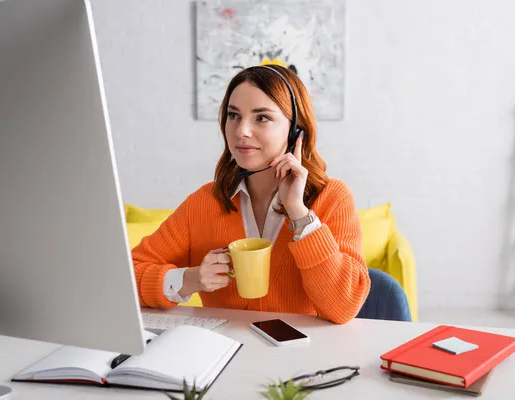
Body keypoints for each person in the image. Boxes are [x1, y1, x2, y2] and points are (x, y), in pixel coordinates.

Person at [132, 65, 370, 324]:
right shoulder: (203, 203)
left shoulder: (333, 199)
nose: (241, 131)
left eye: (262, 118)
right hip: (225, 356)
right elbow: (126, 277)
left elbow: (344, 307)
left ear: (295, 131)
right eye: (234, 115)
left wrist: (299, 213)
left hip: (302, 359)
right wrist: (190, 279)